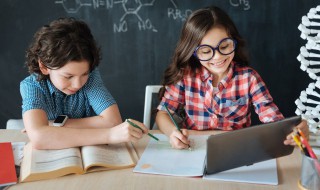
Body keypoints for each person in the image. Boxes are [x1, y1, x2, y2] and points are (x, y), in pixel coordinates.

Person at [155, 6, 309, 149]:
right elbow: (162, 113)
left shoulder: (249, 78)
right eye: (206, 51)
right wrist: (172, 133)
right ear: (193, 52)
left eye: (224, 46)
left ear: (233, 41)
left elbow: (271, 117)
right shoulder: (186, 76)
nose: (218, 57)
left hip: (236, 150)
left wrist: (291, 129)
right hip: (193, 147)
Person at [20, 17, 148, 150]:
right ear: (44, 67)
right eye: (68, 76)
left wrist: (52, 126)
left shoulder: (91, 77)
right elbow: (40, 139)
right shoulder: (31, 86)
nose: (77, 84)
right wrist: (109, 135)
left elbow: (113, 121)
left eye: (85, 74)